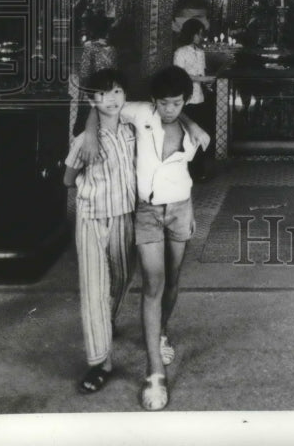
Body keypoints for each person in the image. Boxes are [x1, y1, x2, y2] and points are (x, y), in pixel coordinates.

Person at [84, 65, 210, 411]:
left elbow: (183, 169)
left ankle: (161, 332)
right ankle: (155, 372)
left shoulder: (194, 131)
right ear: (154, 101)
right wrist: (91, 135)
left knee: (172, 281)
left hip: (181, 209)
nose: (170, 109)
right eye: (165, 103)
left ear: (186, 101)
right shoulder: (141, 113)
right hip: (148, 212)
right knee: (153, 284)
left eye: (178, 103)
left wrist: (192, 123)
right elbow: (101, 108)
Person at [63, 69, 136, 395]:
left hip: (125, 217)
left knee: (121, 278)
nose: (113, 99)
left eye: (118, 91)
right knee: (94, 287)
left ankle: (107, 321)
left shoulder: (132, 131)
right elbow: (68, 178)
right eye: (104, 94)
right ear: (92, 100)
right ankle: (100, 361)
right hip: (92, 218)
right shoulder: (83, 141)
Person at [173, 18, 215, 181]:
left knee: (200, 133)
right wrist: (199, 79)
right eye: (199, 33)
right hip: (187, 99)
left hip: (200, 98)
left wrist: (206, 82)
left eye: (201, 34)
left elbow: (201, 74)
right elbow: (179, 75)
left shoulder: (201, 52)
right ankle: (185, 170)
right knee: (186, 135)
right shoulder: (180, 52)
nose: (201, 37)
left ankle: (198, 170)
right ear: (192, 34)